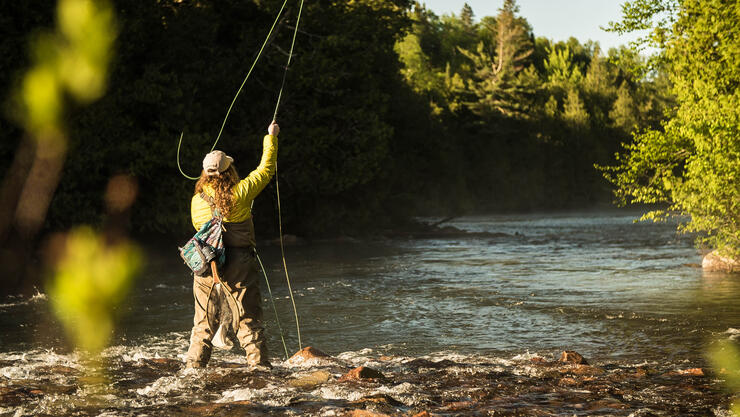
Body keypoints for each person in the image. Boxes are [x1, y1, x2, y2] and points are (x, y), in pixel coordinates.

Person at [185, 121, 279, 369]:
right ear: (229, 171)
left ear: (205, 174)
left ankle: (192, 371)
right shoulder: (240, 193)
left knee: (203, 324)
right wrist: (271, 137)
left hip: (206, 265)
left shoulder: (196, 201)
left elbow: (200, 230)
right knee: (248, 319)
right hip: (239, 263)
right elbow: (266, 169)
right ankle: (259, 370)